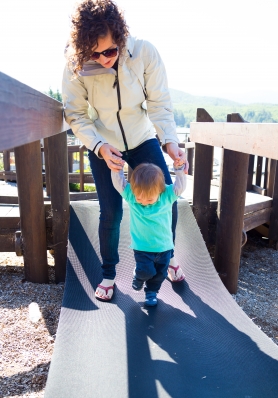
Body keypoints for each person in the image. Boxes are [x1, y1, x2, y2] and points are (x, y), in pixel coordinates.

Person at [62, 0, 188, 301]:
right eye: (94, 53)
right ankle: (108, 273)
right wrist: (100, 146)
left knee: (165, 198)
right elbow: (76, 114)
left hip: (142, 137)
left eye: (109, 51)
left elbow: (159, 103)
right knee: (111, 212)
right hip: (104, 144)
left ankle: (167, 254)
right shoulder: (76, 65)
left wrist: (170, 141)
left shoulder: (144, 53)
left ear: (120, 36)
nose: (103, 59)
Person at [111, 162, 187, 306]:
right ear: (134, 192)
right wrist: (117, 170)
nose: (144, 202)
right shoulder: (132, 198)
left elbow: (180, 187)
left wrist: (179, 171)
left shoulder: (166, 197)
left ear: (161, 190)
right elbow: (119, 184)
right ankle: (138, 277)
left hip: (164, 248)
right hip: (142, 247)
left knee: (160, 274)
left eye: (149, 199)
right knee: (146, 271)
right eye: (140, 198)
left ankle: (151, 293)